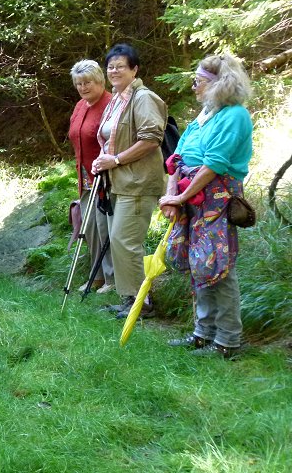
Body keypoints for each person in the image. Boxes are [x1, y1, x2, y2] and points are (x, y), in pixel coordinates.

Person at [159, 54, 253, 359]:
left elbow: (213, 165)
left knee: (218, 266)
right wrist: (172, 195)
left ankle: (228, 341)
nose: (194, 85)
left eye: (198, 80)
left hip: (217, 199)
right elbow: (178, 158)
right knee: (199, 264)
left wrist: (181, 197)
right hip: (192, 198)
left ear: (218, 83)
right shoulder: (205, 115)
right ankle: (203, 333)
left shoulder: (235, 116)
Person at [91, 44, 167, 318]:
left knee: (126, 240)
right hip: (118, 181)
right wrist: (103, 160)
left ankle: (142, 303)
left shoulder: (143, 98)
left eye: (120, 66)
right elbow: (112, 140)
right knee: (119, 240)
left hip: (137, 182)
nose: (114, 71)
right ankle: (130, 299)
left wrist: (117, 160)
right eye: (110, 66)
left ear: (135, 69)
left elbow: (150, 139)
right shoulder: (117, 99)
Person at [68, 60, 115, 293]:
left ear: (99, 81)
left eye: (87, 82)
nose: (83, 87)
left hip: (106, 178)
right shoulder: (80, 106)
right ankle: (96, 275)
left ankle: (112, 278)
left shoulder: (110, 104)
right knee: (91, 230)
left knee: (105, 227)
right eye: (78, 83)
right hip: (85, 177)